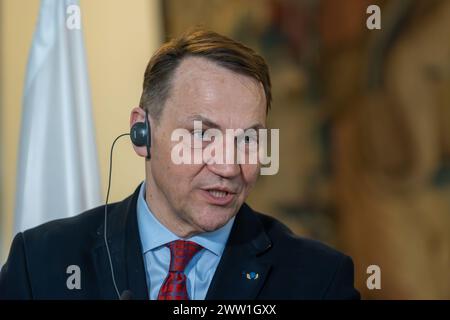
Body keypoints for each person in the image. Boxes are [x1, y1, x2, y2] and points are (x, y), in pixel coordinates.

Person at [0, 29, 360, 300]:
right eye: (203, 134)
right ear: (142, 132)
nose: (229, 166)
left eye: (247, 139)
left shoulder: (319, 281)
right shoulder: (41, 263)